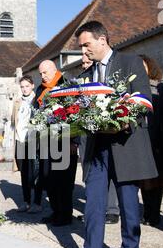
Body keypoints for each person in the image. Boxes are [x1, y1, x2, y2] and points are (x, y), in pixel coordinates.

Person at [60, 21, 157, 248]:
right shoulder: (86, 74)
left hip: (125, 144)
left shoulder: (131, 62)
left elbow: (144, 99)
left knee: (127, 203)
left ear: (102, 40)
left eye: (86, 45)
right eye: (81, 46)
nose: (83, 51)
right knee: (93, 201)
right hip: (96, 147)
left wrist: (123, 118)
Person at [34, 60, 79, 227]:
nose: (42, 76)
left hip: (65, 139)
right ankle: (55, 211)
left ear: (54, 70)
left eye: (45, 73)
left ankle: (65, 214)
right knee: (48, 179)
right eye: (40, 74)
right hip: (47, 139)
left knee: (64, 181)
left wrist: (75, 141)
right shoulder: (41, 89)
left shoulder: (67, 85)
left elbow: (77, 113)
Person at [78, 55, 120, 225]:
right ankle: (93, 209)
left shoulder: (106, 76)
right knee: (89, 173)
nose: (85, 65)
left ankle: (111, 210)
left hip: (105, 131)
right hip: (86, 134)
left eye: (88, 62)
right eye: (83, 64)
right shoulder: (81, 80)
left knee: (108, 173)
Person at [138, 55, 163, 227]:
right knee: (144, 180)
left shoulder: (160, 88)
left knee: (157, 179)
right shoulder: (133, 89)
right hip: (142, 138)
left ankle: (154, 214)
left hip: (159, 139)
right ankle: (147, 211)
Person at [11, 75, 44, 213]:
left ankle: (37, 203)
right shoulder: (17, 102)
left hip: (33, 140)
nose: (24, 89)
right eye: (22, 87)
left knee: (35, 172)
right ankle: (26, 202)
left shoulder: (38, 100)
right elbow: (14, 122)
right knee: (24, 172)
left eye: (27, 86)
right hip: (20, 140)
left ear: (32, 86)